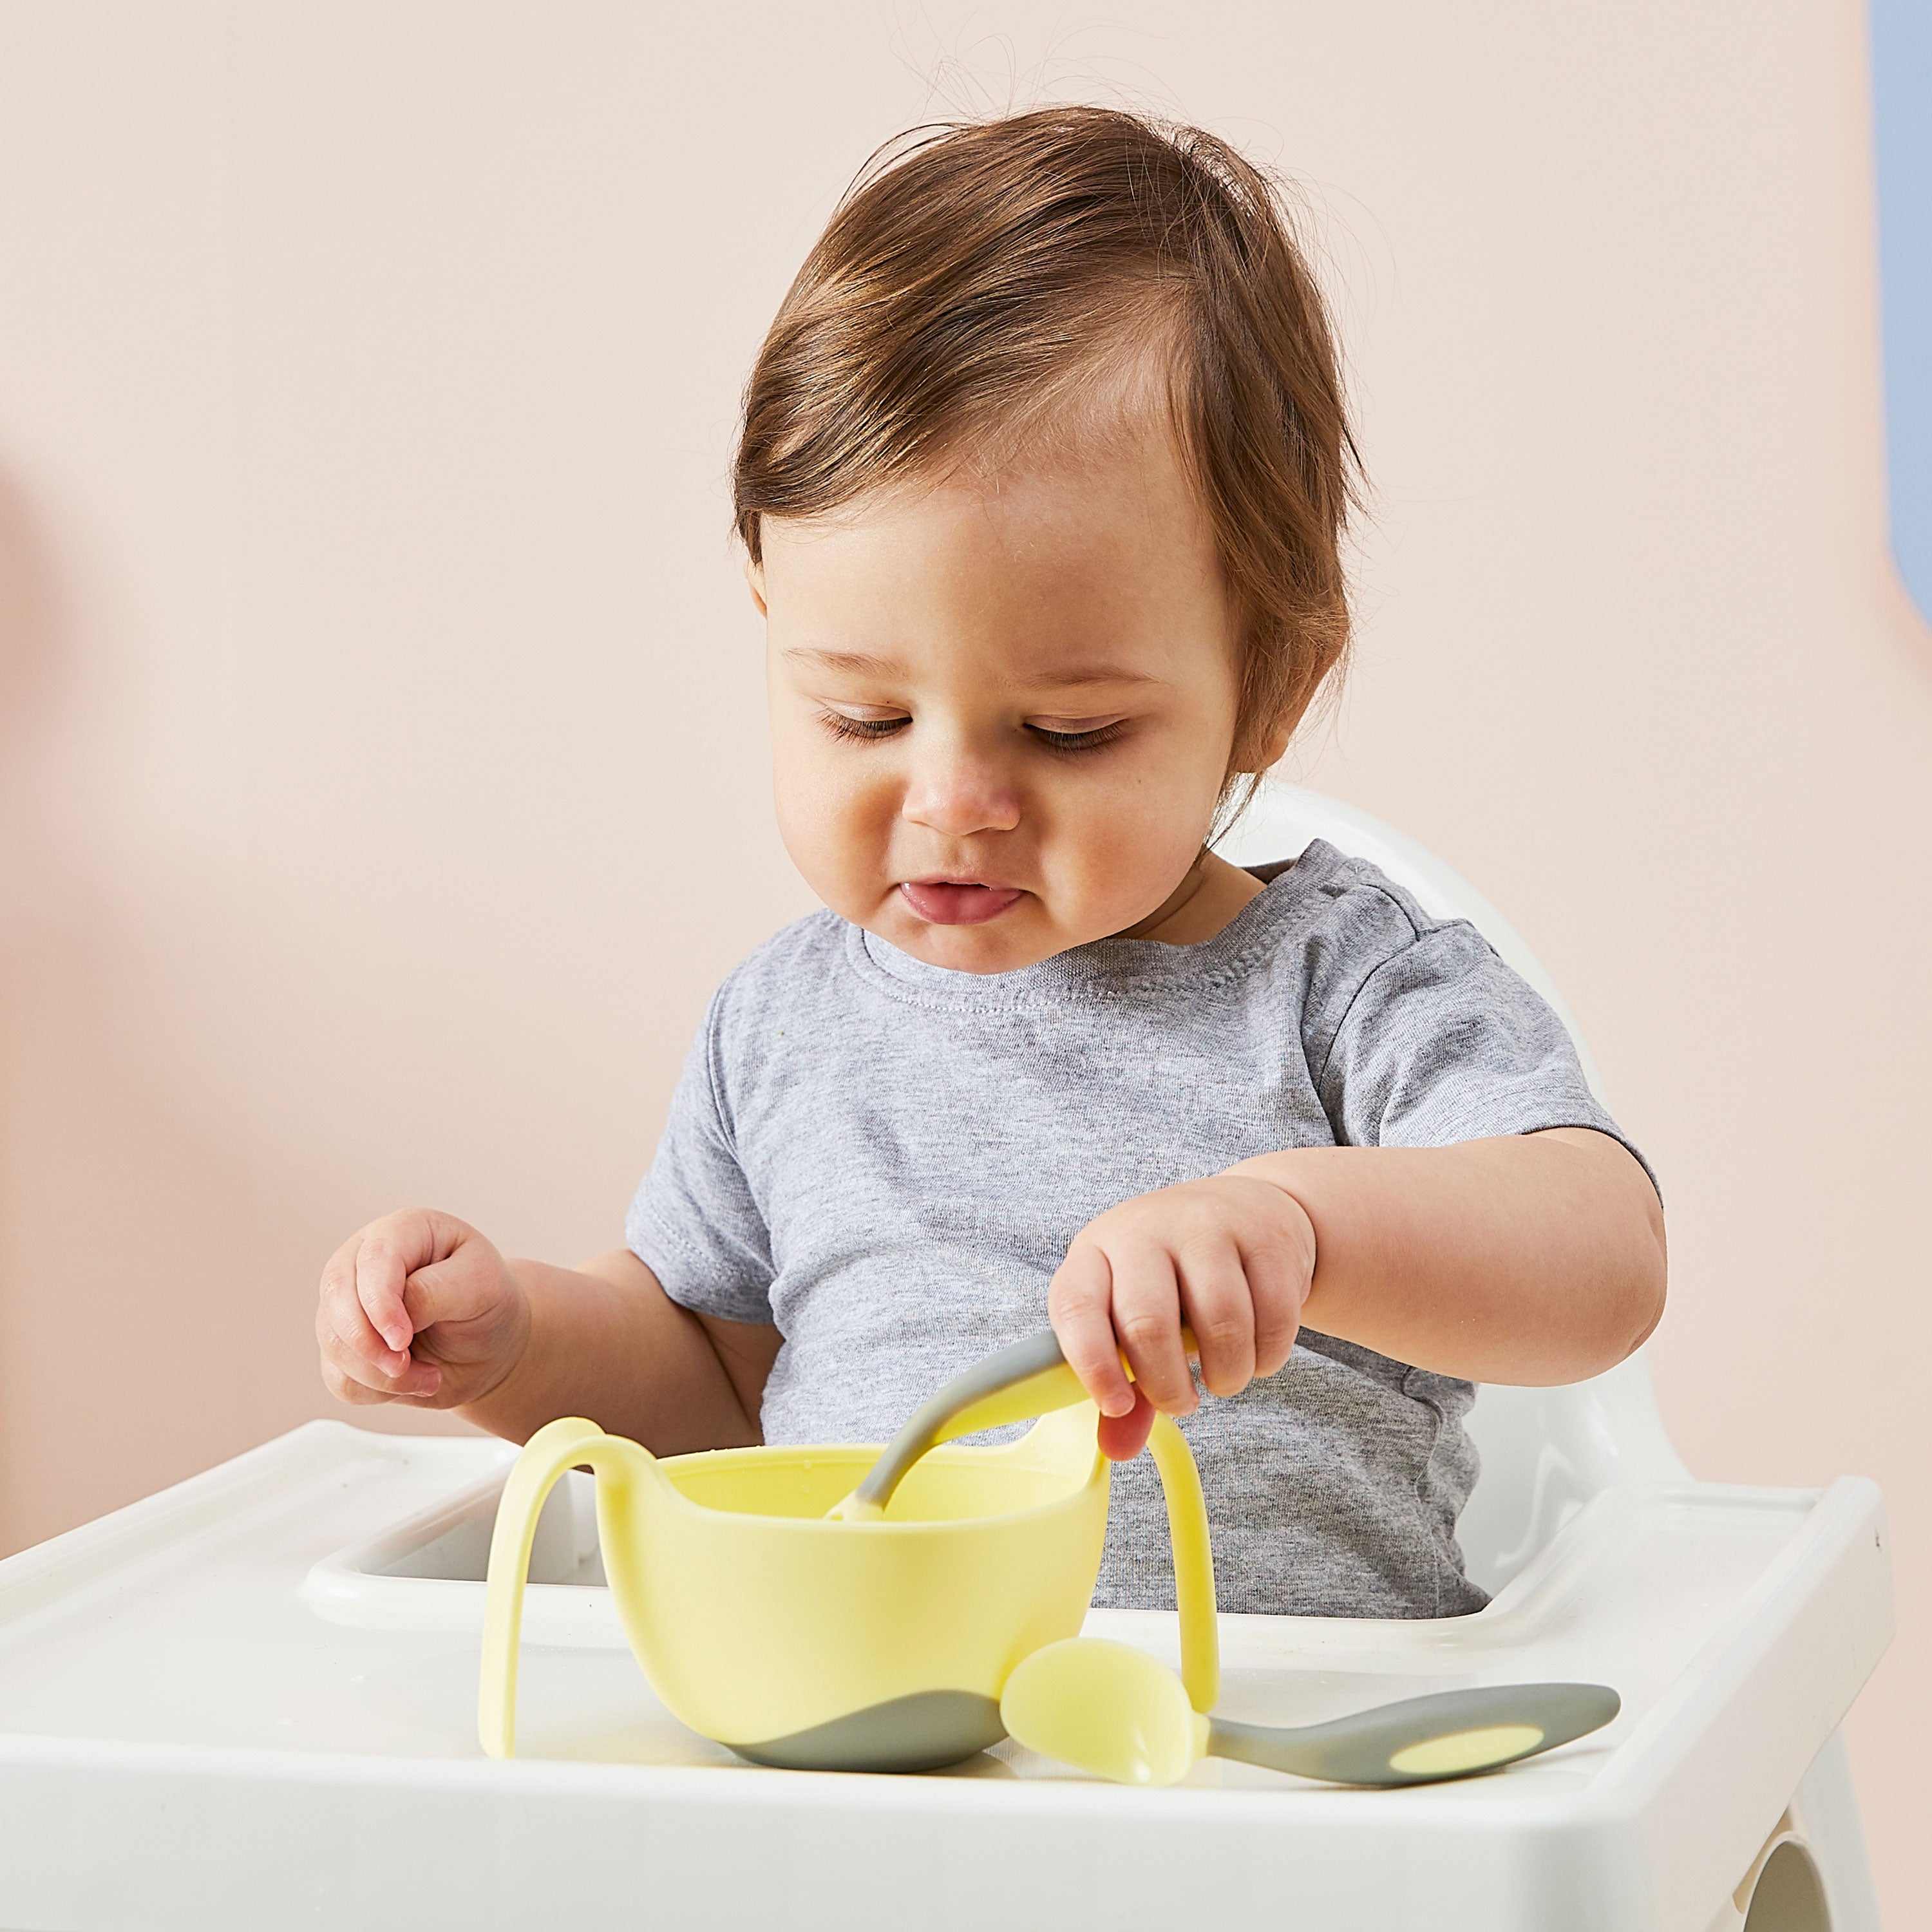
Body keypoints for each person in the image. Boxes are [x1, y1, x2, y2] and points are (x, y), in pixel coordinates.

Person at [314, 108, 1665, 1618]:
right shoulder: (782, 1031)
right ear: (769, 626)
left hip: (1276, 1787)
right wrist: (514, 1350)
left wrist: (1295, 1225)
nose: (954, 801)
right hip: (894, 1769)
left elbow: (1601, 1257)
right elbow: (715, 1403)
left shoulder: (1342, 987)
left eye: (1069, 730)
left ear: (1270, 689)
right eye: (863, 714)